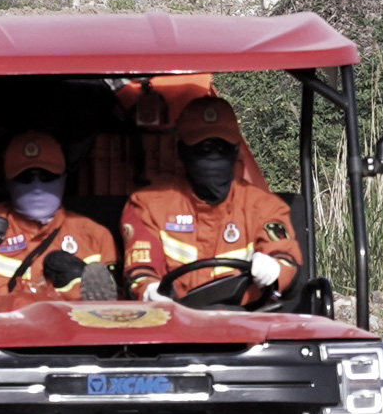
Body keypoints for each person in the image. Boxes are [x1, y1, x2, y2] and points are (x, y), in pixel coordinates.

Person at [121, 94, 303, 305]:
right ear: (183, 151)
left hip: (247, 323)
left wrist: (276, 269)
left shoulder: (263, 207)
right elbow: (141, 267)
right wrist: (149, 290)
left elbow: (285, 255)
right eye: (203, 149)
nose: (213, 157)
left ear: (235, 151)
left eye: (222, 148)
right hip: (174, 323)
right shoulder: (148, 205)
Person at [0, 127, 117, 302]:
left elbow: (114, 309)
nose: (37, 186)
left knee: (69, 269)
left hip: (68, 324)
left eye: (47, 176)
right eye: (25, 177)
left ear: (63, 179)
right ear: (9, 183)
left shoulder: (94, 235)